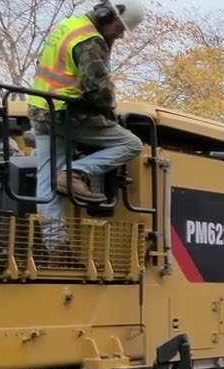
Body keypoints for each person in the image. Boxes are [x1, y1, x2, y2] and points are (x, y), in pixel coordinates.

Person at [26, 0, 146, 249]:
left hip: (41, 110)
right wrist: (109, 110)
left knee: (47, 179)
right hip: (67, 114)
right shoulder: (90, 40)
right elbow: (98, 89)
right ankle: (76, 172)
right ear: (106, 16)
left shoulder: (69, 26)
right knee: (131, 143)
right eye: (120, 28)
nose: (121, 35)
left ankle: (54, 243)